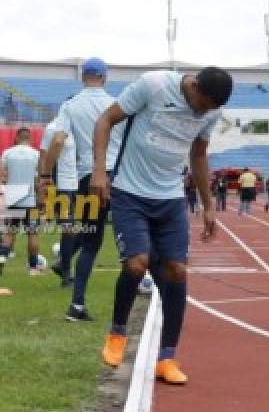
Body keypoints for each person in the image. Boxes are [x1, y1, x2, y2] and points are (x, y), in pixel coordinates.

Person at [92, 66, 233, 385]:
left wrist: (209, 205)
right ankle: (117, 335)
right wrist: (100, 171)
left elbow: (198, 155)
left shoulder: (210, 111)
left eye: (211, 109)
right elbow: (105, 121)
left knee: (177, 272)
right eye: (203, 104)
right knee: (137, 264)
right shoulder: (154, 85)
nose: (203, 112)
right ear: (194, 85)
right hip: (130, 191)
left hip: (170, 197)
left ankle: (167, 357)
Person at [37, 58, 124, 323]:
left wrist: (44, 175)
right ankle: (144, 291)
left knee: (90, 243)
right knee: (135, 235)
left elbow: (59, 139)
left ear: (82, 76)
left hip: (88, 177)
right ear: (105, 77)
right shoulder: (116, 102)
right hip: (119, 175)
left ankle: (77, 304)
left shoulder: (70, 105)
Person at [0, 127, 43, 276]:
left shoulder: (7, 153)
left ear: (16, 138)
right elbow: (40, 180)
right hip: (30, 201)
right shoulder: (36, 154)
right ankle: (33, 268)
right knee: (33, 233)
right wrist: (41, 200)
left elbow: (1, 175)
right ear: (30, 139)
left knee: (10, 232)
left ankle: (2, 259)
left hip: (13, 199)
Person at [38, 115, 79, 285]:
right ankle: (66, 273)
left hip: (74, 181)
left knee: (83, 228)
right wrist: (45, 180)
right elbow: (43, 156)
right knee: (68, 227)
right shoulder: (52, 128)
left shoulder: (76, 128)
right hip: (59, 182)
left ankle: (63, 264)